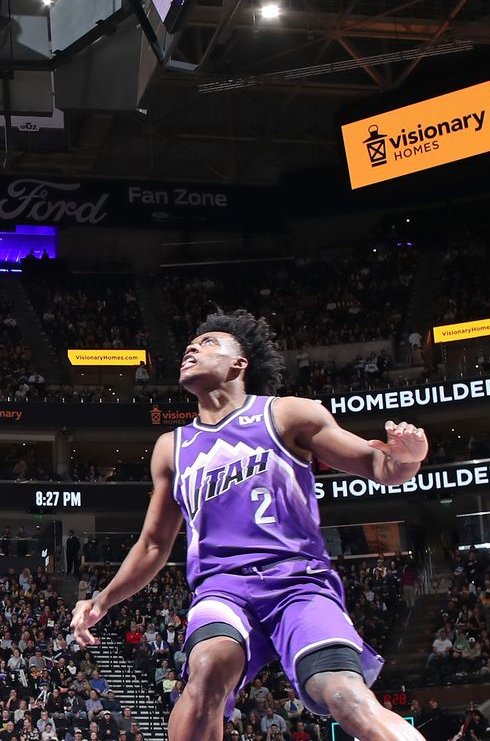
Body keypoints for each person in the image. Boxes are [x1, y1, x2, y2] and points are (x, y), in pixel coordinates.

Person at [70, 310, 428, 741]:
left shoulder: (287, 415)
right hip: (223, 587)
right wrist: (103, 600)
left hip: (298, 581)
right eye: (190, 345)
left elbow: (378, 465)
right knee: (205, 671)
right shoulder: (172, 447)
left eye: (207, 345)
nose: (191, 348)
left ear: (239, 365)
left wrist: (408, 457)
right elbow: (153, 544)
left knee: (343, 693)